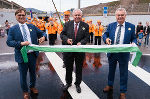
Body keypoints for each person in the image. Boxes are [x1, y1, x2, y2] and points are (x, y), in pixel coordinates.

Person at [6, 8, 47, 99]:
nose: (21, 16)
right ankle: (25, 91)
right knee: (23, 75)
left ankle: (32, 87)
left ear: (26, 16)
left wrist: (43, 37)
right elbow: (9, 42)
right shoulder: (13, 29)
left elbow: (43, 33)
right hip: (21, 55)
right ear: (16, 17)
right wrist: (21, 43)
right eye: (19, 15)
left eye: (23, 15)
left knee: (33, 73)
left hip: (32, 55)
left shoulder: (31, 26)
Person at [102, 8, 137, 99]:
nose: (120, 17)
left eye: (122, 15)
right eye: (118, 15)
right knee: (111, 71)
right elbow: (105, 34)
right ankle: (110, 85)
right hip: (112, 53)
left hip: (124, 53)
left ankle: (123, 91)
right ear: (115, 16)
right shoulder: (110, 25)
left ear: (125, 16)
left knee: (124, 72)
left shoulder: (131, 26)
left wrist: (134, 42)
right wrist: (106, 39)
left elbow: (134, 38)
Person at [60, 9, 89, 93]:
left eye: (79, 15)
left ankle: (77, 84)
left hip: (79, 51)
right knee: (68, 68)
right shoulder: (67, 24)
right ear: (73, 16)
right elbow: (62, 34)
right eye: (75, 15)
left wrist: (81, 42)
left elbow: (87, 37)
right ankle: (68, 83)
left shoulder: (85, 25)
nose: (77, 16)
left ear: (81, 16)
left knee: (79, 68)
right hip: (69, 51)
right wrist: (67, 40)